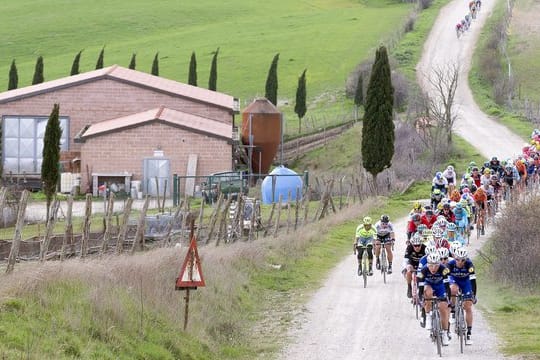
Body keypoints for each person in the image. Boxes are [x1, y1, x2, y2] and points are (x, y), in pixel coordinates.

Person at [418, 253, 452, 346]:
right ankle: (428, 316)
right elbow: (420, 287)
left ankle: (445, 333)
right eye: (431, 265)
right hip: (428, 285)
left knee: (443, 308)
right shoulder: (423, 270)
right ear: (427, 264)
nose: (433, 268)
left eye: (436, 265)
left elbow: (447, 286)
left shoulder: (443, 269)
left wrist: (447, 299)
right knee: (427, 293)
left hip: (440, 286)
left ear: (439, 264)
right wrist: (421, 298)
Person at [447, 247, 477, 345]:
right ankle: (453, 310)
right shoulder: (450, 264)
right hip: (454, 280)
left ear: (466, 259)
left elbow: (473, 281)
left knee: (468, 306)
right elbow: (445, 280)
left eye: (462, 260)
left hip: (465, 282)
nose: (460, 262)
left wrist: (473, 295)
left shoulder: (469, 264)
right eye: (458, 259)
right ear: (454, 257)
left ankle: (468, 333)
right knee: (453, 290)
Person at [403, 233, 426, 298]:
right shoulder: (409, 247)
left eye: (418, 245)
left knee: (423, 276)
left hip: (422, 265)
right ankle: (409, 287)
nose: (417, 247)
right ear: (412, 245)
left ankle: (422, 289)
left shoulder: (425, 248)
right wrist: (407, 267)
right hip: (412, 264)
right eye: (415, 246)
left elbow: (428, 261)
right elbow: (405, 259)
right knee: (408, 272)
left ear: (421, 244)